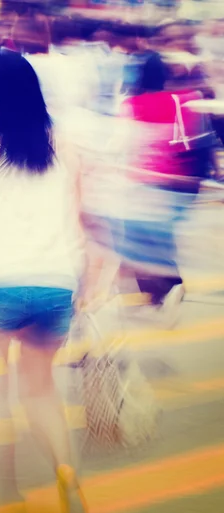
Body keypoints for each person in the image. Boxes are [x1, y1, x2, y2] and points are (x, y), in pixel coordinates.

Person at [0, 48, 88, 513]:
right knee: (40, 391)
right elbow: (78, 217)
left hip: (4, 282)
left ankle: (9, 497)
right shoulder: (66, 146)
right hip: (58, 282)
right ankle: (64, 467)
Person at [115, 53, 215, 321]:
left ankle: (162, 294)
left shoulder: (131, 104)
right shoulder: (183, 100)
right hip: (182, 183)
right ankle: (165, 291)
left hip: (146, 182)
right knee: (162, 239)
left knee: (138, 243)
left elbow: (123, 146)